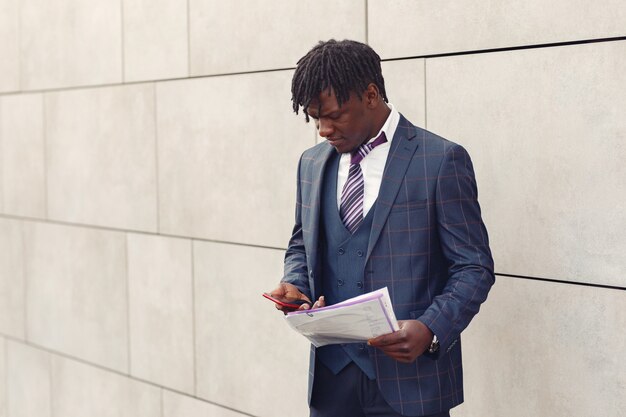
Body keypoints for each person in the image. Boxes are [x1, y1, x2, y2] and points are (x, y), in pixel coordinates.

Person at [268, 39, 494, 417]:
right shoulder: (310, 164)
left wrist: (430, 328)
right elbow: (300, 244)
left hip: (412, 384)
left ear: (371, 95)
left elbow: (473, 267)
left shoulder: (440, 160)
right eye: (315, 117)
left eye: (335, 115)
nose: (323, 129)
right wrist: (296, 285)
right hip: (332, 380)